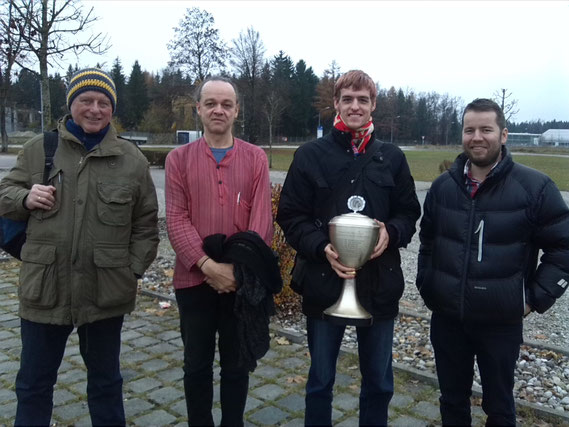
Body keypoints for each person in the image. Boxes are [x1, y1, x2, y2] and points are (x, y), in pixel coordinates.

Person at [0, 68, 159, 426]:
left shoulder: (131, 160)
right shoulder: (39, 149)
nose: (95, 109)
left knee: (106, 385)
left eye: (104, 103)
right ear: (71, 103)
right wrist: (26, 198)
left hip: (105, 293)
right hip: (45, 289)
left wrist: (129, 271)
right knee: (33, 386)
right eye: (85, 100)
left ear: (112, 109)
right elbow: (3, 196)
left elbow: (146, 225)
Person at [277, 70, 421, 426]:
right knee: (320, 381)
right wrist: (321, 246)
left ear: (373, 105)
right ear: (336, 104)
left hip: (379, 284)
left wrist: (393, 231)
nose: (355, 106)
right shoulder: (310, 155)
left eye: (363, 99)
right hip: (323, 283)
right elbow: (290, 215)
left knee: (379, 383)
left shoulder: (393, 157)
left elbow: (408, 212)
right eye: (347, 99)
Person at [416, 98, 569, 426]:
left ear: (503, 135)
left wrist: (534, 297)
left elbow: (563, 248)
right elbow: (427, 240)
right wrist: (427, 283)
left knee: (499, 406)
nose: (477, 136)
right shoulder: (444, 187)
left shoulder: (535, 188)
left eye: (486, 129)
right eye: (469, 129)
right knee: (452, 401)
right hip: (447, 320)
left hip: (500, 323)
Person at [165, 76, 274, 426]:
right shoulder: (177, 160)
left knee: (236, 364)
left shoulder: (256, 158)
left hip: (239, 284)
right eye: (210, 103)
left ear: (236, 110)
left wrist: (237, 271)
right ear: (198, 108)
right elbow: (176, 217)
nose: (218, 110)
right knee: (196, 364)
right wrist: (207, 265)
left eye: (226, 104)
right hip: (193, 280)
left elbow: (260, 221)